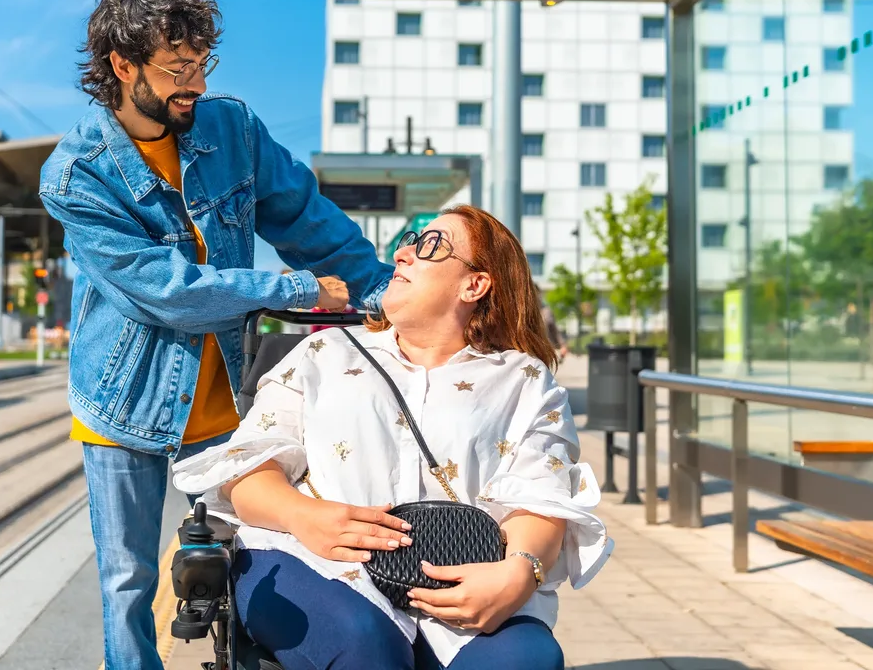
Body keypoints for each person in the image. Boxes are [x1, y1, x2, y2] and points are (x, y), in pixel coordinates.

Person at [38, 0, 392, 670]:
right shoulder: (77, 176)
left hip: (229, 398)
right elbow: (164, 289)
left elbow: (306, 218)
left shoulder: (232, 130)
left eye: (202, 64)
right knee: (128, 582)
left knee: (255, 557)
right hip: (123, 405)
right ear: (122, 64)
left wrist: (383, 289)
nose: (194, 84)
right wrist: (292, 288)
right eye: (178, 68)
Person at [174, 205, 612, 670]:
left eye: (430, 244)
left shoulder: (525, 381)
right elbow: (248, 471)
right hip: (316, 560)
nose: (402, 253)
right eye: (408, 240)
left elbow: (541, 498)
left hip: (464, 576)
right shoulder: (323, 353)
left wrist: (519, 573)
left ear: (474, 284)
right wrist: (305, 517)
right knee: (363, 643)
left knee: (527, 658)